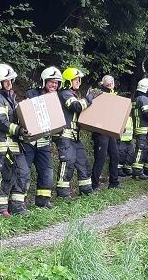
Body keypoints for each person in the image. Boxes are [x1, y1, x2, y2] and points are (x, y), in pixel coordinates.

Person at [0, 63, 30, 216]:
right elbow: (1, 121)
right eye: (6, 81)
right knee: (6, 176)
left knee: (23, 173)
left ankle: (17, 206)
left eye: (11, 81)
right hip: (3, 144)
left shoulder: (10, 97)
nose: (9, 84)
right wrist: (19, 130)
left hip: (15, 144)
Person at [21, 66, 60, 208]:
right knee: (24, 172)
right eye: (51, 82)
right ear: (44, 81)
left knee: (47, 171)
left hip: (43, 142)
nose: (54, 85)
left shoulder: (57, 99)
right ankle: (19, 202)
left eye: (56, 83)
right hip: (29, 141)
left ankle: (43, 201)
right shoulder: (32, 93)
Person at [55, 67, 93, 198]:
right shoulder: (65, 93)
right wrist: (89, 98)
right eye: (74, 79)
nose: (77, 81)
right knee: (68, 163)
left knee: (83, 162)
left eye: (78, 79)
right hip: (65, 136)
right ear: (68, 81)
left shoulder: (74, 94)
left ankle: (86, 190)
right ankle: (62, 193)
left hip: (75, 136)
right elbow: (75, 107)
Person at [87, 75, 121, 190]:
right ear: (103, 83)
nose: (111, 84)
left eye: (112, 82)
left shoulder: (113, 94)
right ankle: (94, 184)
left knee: (115, 155)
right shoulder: (98, 93)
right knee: (100, 158)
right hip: (100, 131)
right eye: (109, 82)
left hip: (110, 129)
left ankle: (114, 182)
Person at [131, 77, 148, 180]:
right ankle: (137, 172)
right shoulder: (144, 99)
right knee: (141, 150)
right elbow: (147, 114)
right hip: (143, 129)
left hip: (140, 128)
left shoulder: (136, 99)